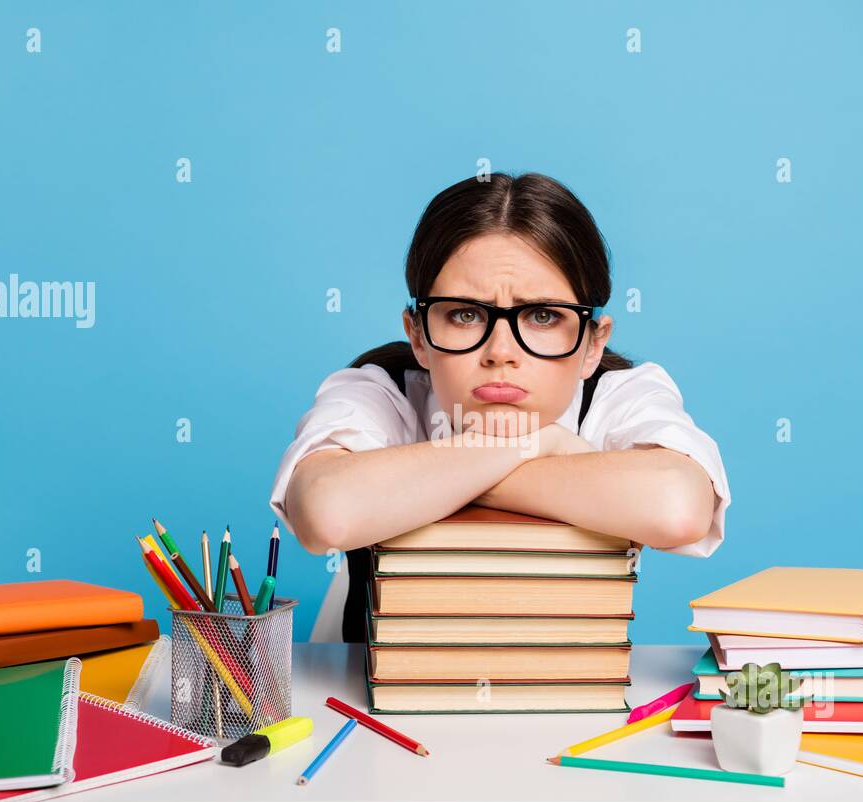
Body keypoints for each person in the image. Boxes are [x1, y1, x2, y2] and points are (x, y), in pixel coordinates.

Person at [269, 172, 731, 642]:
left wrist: (464, 469)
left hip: (562, 679)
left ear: (593, 343)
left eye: (543, 316)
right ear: (418, 336)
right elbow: (327, 514)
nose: (501, 352)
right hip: (370, 673)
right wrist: (543, 445)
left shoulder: (619, 396)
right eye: (466, 315)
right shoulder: (378, 392)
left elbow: (677, 507)